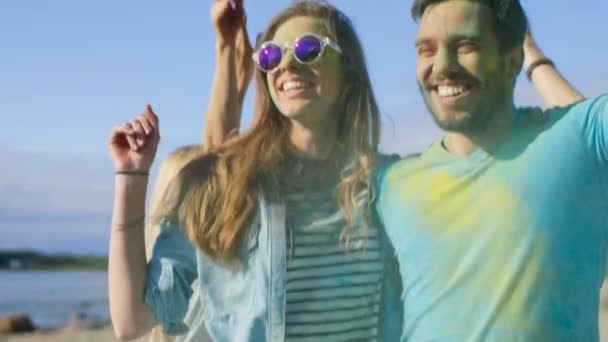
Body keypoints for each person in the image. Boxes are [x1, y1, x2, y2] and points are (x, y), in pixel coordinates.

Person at [107, 1, 402, 341]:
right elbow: (134, 320)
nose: (286, 65)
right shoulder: (221, 184)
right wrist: (131, 176)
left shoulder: (389, 185)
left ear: (349, 72)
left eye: (308, 49)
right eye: (271, 56)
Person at [376, 0, 607, 340]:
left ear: (513, 58)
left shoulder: (578, 143)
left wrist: (535, 59)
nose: (442, 65)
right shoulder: (391, 185)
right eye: (426, 50)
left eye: (465, 45)